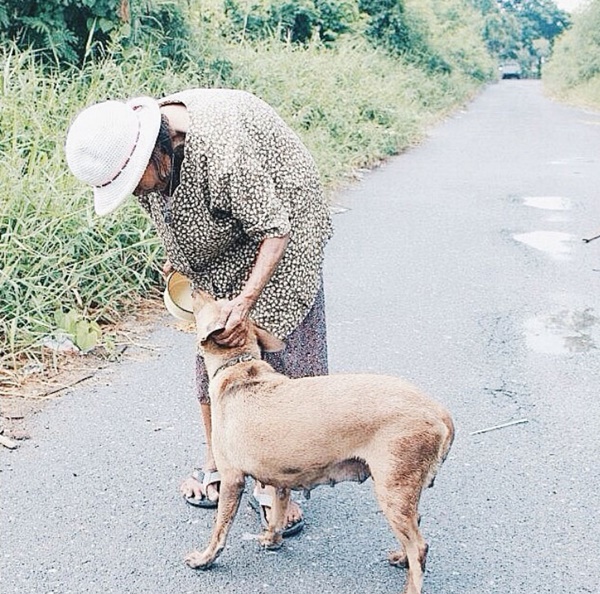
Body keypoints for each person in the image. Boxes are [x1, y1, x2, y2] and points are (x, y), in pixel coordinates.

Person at [65, 88, 333, 536]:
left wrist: (246, 300)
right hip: (229, 226)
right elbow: (165, 205)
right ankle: (222, 462)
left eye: (134, 181)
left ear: (157, 156)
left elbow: (274, 227)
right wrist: (180, 254)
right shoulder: (143, 148)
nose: (135, 193)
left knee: (272, 346)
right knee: (214, 347)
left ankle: (276, 481)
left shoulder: (221, 153)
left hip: (283, 222)